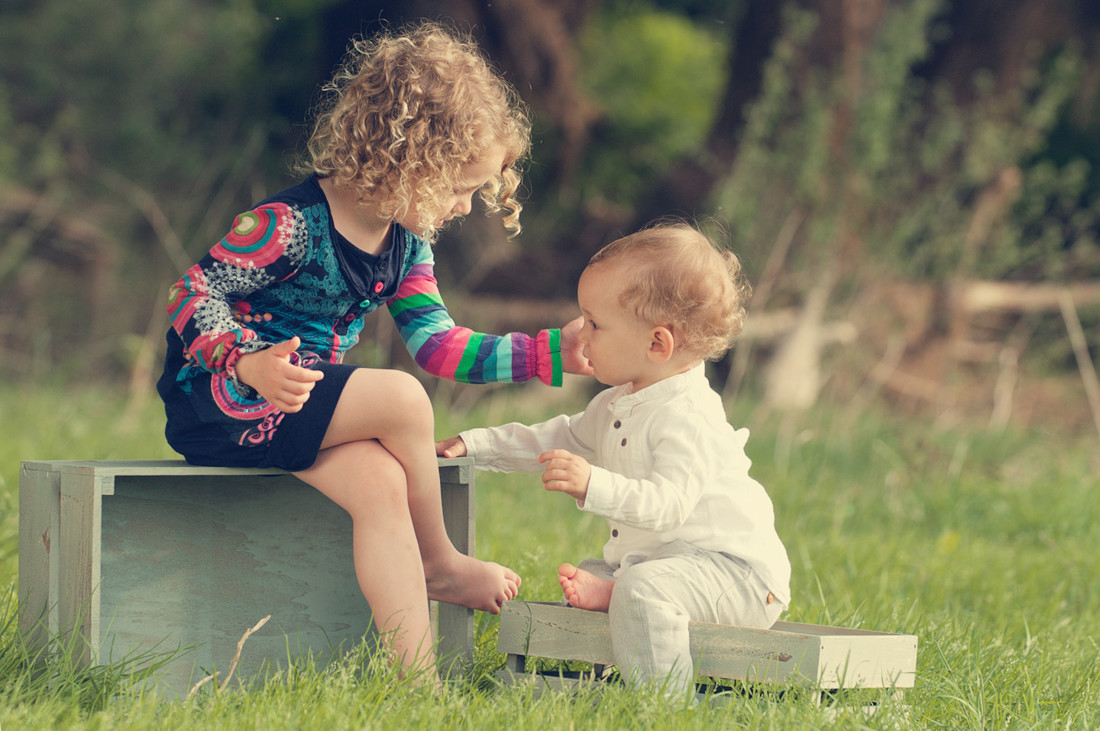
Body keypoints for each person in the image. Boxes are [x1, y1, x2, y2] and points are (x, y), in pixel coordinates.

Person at [156, 22, 590, 682]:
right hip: (223, 398)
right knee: (400, 397)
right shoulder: (289, 224)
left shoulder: (406, 246)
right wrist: (247, 362)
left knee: (382, 484)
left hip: (295, 407)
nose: (466, 206)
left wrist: (546, 353)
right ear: (409, 158)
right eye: (458, 187)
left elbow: (440, 346)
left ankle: (413, 685)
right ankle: (439, 559)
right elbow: (191, 293)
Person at [437, 222, 792, 697]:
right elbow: (556, 435)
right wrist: (476, 444)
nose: (580, 335)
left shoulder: (689, 414)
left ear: (657, 344)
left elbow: (669, 507)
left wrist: (593, 484)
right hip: (671, 562)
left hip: (736, 574)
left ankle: (661, 704)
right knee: (600, 570)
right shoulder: (618, 402)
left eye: (595, 324)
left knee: (645, 589)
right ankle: (617, 592)